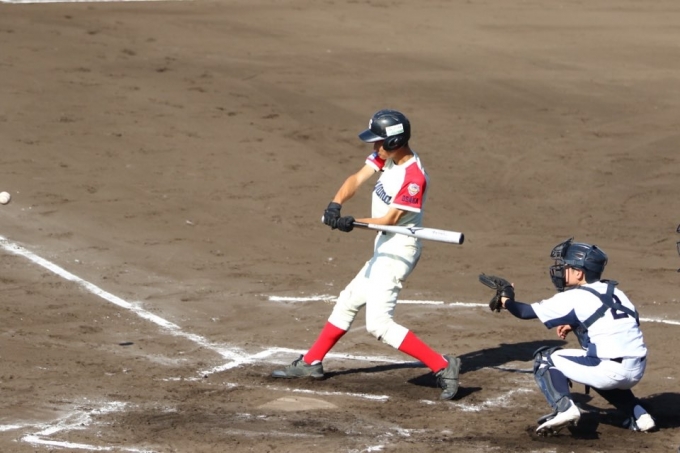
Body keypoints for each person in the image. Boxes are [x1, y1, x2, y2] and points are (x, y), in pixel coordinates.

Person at [271, 109, 461, 400]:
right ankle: (311, 362)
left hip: (399, 250)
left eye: (378, 141)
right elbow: (357, 178)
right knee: (348, 301)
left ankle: (443, 366)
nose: (374, 146)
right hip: (384, 247)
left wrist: (353, 222)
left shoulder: (413, 178)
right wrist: (335, 204)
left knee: (378, 324)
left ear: (394, 142)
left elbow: (390, 220)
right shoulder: (387, 158)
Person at [492, 238, 656, 435]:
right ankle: (639, 414)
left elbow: (524, 312)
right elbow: (621, 323)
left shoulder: (575, 296)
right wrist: (574, 324)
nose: (561, 270)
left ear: (579, 273)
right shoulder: (616, 292)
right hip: (637, 369)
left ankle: (565, 409)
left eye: (566, 266)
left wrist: (506, 300)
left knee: (545, 358)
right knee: (599, 365)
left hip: (609, 371)